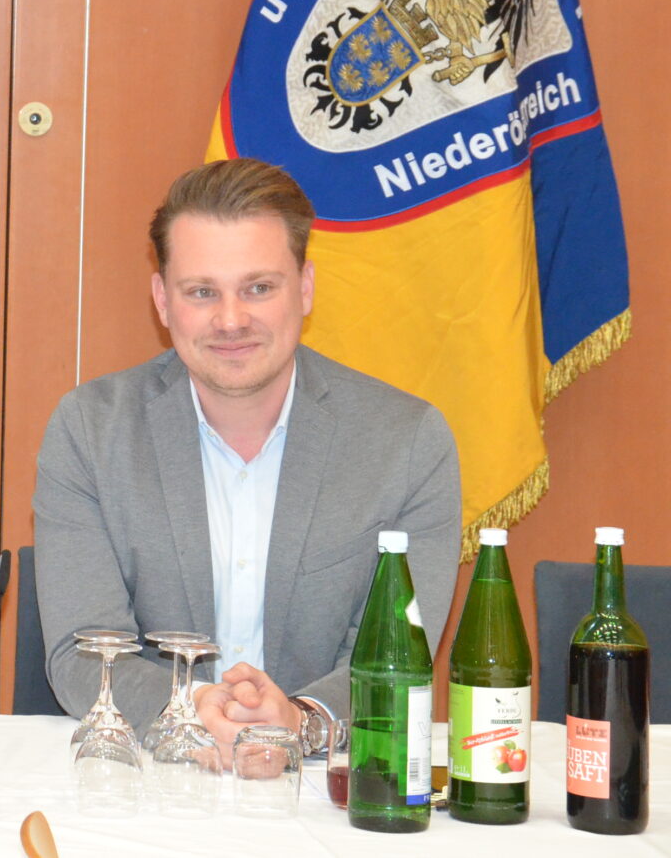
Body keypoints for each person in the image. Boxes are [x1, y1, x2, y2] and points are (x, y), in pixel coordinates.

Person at [31, 157, 459, 753]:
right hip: (153, 773)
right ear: (162, 301)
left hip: (323, 781)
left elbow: (396, 659)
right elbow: (81, 652)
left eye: (259, 288)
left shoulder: (407, 442)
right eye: (202, 292)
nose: (231, 320)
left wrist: (300, 722)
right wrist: (194, 710)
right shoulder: (90, 431)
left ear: (304, 288)